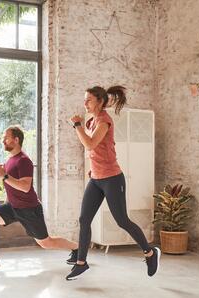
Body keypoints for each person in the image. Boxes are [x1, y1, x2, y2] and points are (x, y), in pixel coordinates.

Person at [66, 85, 160, 280]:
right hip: (96, 179)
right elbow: (97, 149)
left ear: (100, 102)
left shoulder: (104, 121)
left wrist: (77, 126)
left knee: (121, 220)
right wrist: (95, 168)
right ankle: (81, 263)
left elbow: (90, 144)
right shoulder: (92, 121)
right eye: (85, 100)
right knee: (84, 219)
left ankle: (150, 252)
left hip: (112, 179)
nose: (85, 103)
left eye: (88, 100)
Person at [0, 125, 79, 269]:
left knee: (46, 243)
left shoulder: (24, 160)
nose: (3, 141)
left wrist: (3, 175)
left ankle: (77, 249)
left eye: (6, 138)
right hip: (13, 206)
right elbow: (10, 185)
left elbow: (25, 186)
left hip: (29, 209)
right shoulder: (10, 159)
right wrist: (6, 202)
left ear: (16, 140)